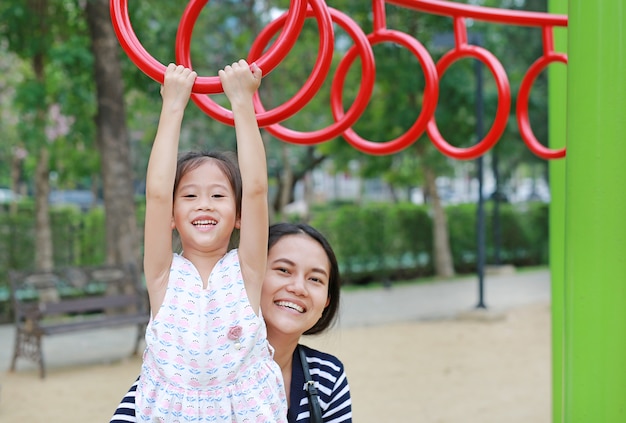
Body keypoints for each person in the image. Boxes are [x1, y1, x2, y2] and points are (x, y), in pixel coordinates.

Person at [134, 60, 287, 422]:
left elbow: (256, 190)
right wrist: (172, 104)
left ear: (238, 218)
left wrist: (242, 103)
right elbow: (156, 193)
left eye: (218, 196)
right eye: (189, 196)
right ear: (171, 216)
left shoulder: (247, 269)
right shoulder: (162, 276)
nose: (204, 203)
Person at [111, 223, 353, 422]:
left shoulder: (326, 376)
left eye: (315, 279)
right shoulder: (183, 373)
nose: (298, 288)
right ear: (247, 275)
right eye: (283, 270)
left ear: (326, 302)